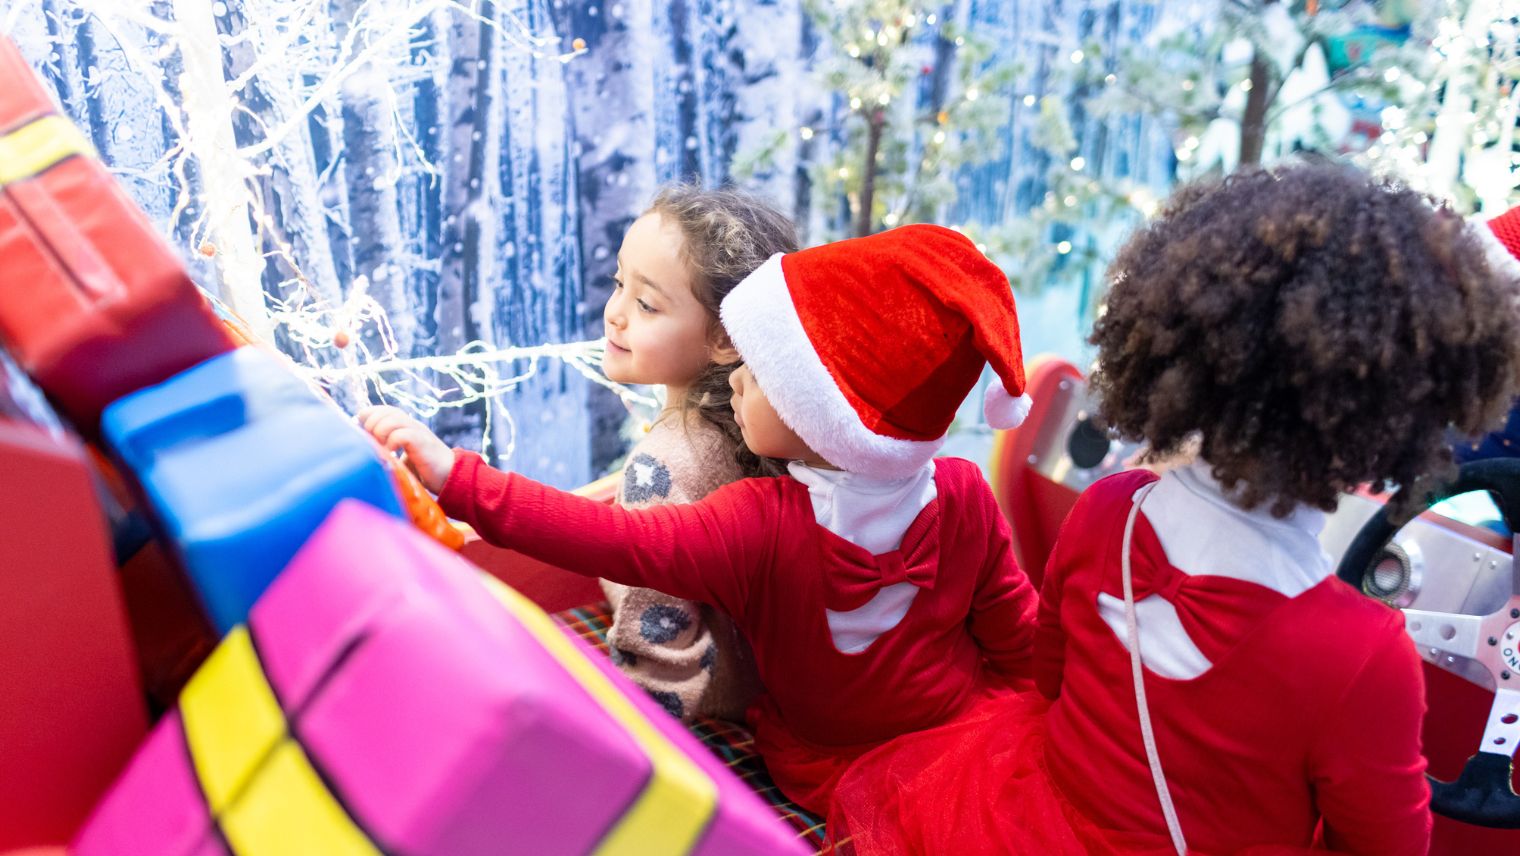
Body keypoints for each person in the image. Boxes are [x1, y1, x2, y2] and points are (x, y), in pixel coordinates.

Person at [828, 163, 1520, 855]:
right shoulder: (1364, 653)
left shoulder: (1107, 508)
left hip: (1020, 817)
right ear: (1395, 422)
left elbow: (1051, 680)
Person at [362, 223, 1040, 815]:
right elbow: (1016, 636)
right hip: (968, 722)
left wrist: (458, 477)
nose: (735, 380)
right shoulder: (962, 487)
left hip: (871, 758)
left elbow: (614, 539)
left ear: (825, 424)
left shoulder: (762, 523)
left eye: (766, 374)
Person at [370, 185, 794, 723]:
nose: (615, 314)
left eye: (646, 304)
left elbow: (660, 650)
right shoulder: (760, 427)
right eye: (619, 284)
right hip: (759, 680)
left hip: (712, 701)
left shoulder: (663, 466)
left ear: (725, 339)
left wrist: (621, 731)